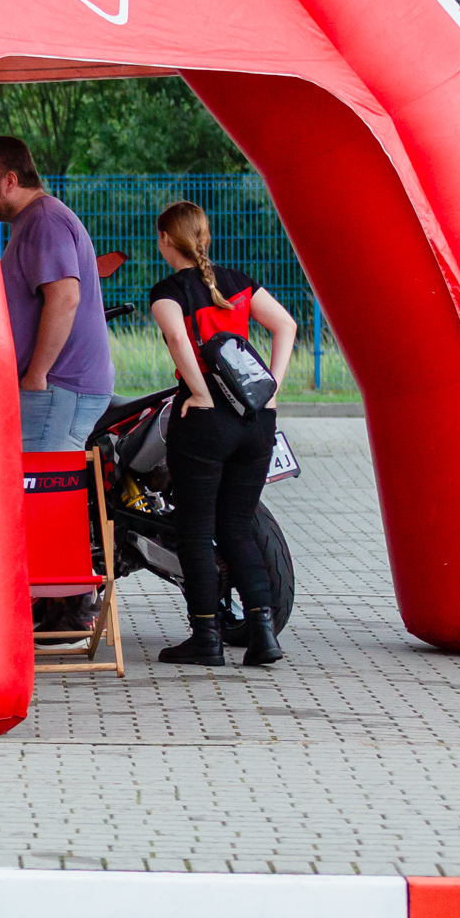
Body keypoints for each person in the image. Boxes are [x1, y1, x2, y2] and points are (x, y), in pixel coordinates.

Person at [149, 201, 296, 667]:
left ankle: (206, 639)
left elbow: (178, 339)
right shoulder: (237, 282)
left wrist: (198, 391)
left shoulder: (169, 291)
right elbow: (286, 325)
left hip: (206, 422)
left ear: (165, 240)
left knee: (195, 531)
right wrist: (270, 388)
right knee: (237, 527)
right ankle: (264, 636)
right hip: (256, 419)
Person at [0, 136, 115, 451]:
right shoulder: (34, 219)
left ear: (9, 181)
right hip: (59, 387)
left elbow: (65, 298)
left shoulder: (44, 219)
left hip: (58, 386)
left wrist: (36, 375)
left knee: (41, 481)